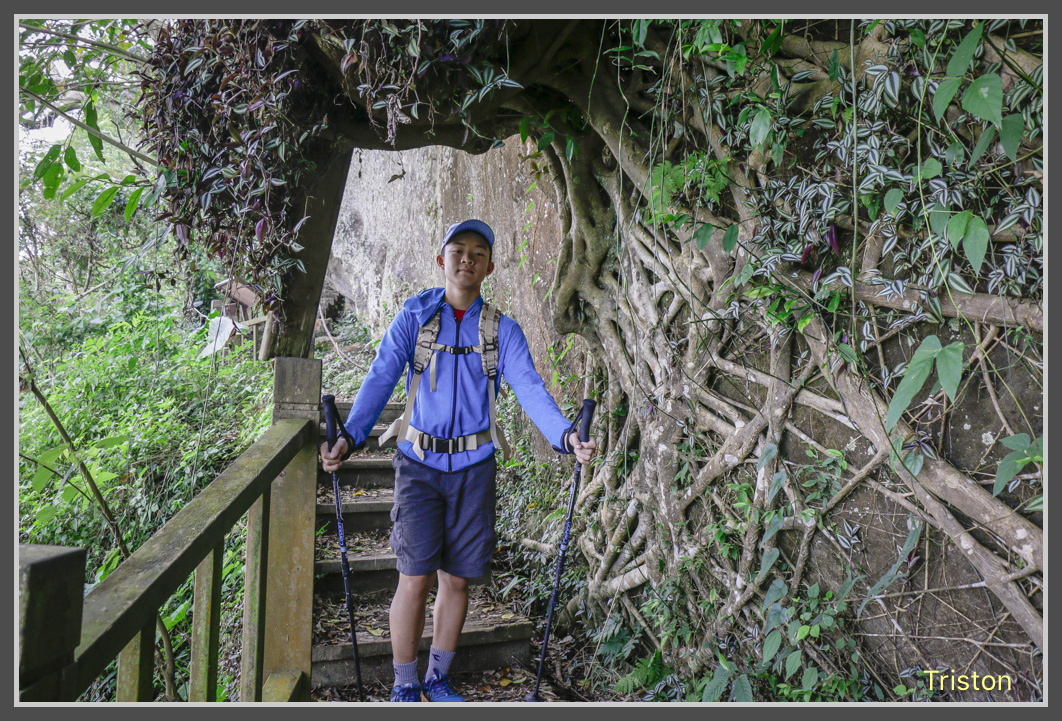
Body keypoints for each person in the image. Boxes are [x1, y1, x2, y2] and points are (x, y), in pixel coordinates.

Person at [320, 219, 597, 702]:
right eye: (458, 250)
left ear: (489, 267)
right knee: (414, 578)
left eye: (478, 253)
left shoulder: (502, 331)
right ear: (441, 260)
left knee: (457, 580)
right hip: (418, 466)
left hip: (475, 468)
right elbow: (381, 376)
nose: (467, 258)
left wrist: (564, 435)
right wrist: (350, 436)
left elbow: (529, 388)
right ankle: (405, 685)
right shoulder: (414, 318)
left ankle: (437, 680)